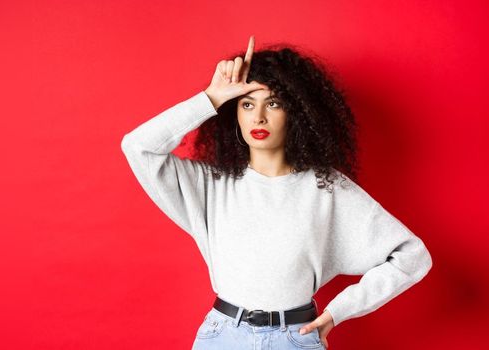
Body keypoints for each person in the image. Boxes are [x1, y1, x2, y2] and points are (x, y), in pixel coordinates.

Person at [120, 36, 433, 350]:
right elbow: (137, 147)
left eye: (273, 103)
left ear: (295, 113)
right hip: (224, 337)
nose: (259, 117)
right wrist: (211, 98)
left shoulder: (327, 187)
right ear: (234, 113)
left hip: (295, 338)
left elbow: (412, 257)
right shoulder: (211, 185)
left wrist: (338, 312)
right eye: (247, 103)